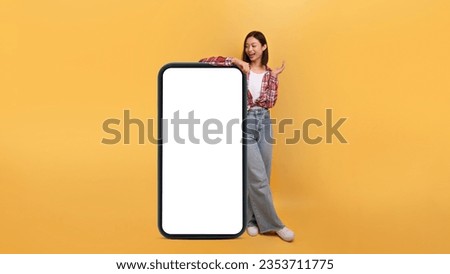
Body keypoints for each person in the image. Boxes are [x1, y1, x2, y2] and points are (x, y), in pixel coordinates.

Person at [200, 31, 294, 242]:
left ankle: (251, 221)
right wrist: (234, 61)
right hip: (244, 122)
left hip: (265, 122)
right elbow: (204, 62)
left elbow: (270, 103)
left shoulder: (270, 74)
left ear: (264, 47)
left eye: (254, 45)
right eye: (247, 46)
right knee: (257, 175)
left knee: (263, 175)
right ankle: (276, 225)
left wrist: (273, 78)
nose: (250, 50)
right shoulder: (239, 68)